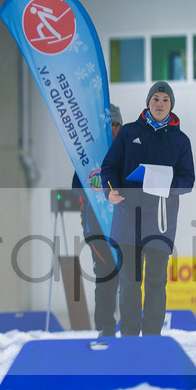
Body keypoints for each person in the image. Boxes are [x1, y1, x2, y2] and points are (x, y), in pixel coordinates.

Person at [100, 81, 195, 336]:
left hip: (160, 222)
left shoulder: (180, 141)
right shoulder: (130, 133)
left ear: (171, 105)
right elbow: (108, 167)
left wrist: (163, 182)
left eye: (165, 100)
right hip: (128, 218)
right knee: (130, 282)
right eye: (155, 99)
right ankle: (130, 336)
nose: (160, 104)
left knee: (156, 282)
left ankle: (152, 338)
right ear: (148, 103)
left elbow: (188, 181)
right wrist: (111, 191)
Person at [73, 103, 123, 337]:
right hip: (97, 228)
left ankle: (132, 327)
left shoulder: (128, 152)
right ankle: (105, 327)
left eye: (116, 125)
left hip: (127, 226)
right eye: (108, 125)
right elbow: (76, 189)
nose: (112, 129)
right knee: (105, 275)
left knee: (130, 276)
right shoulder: (89, 156)